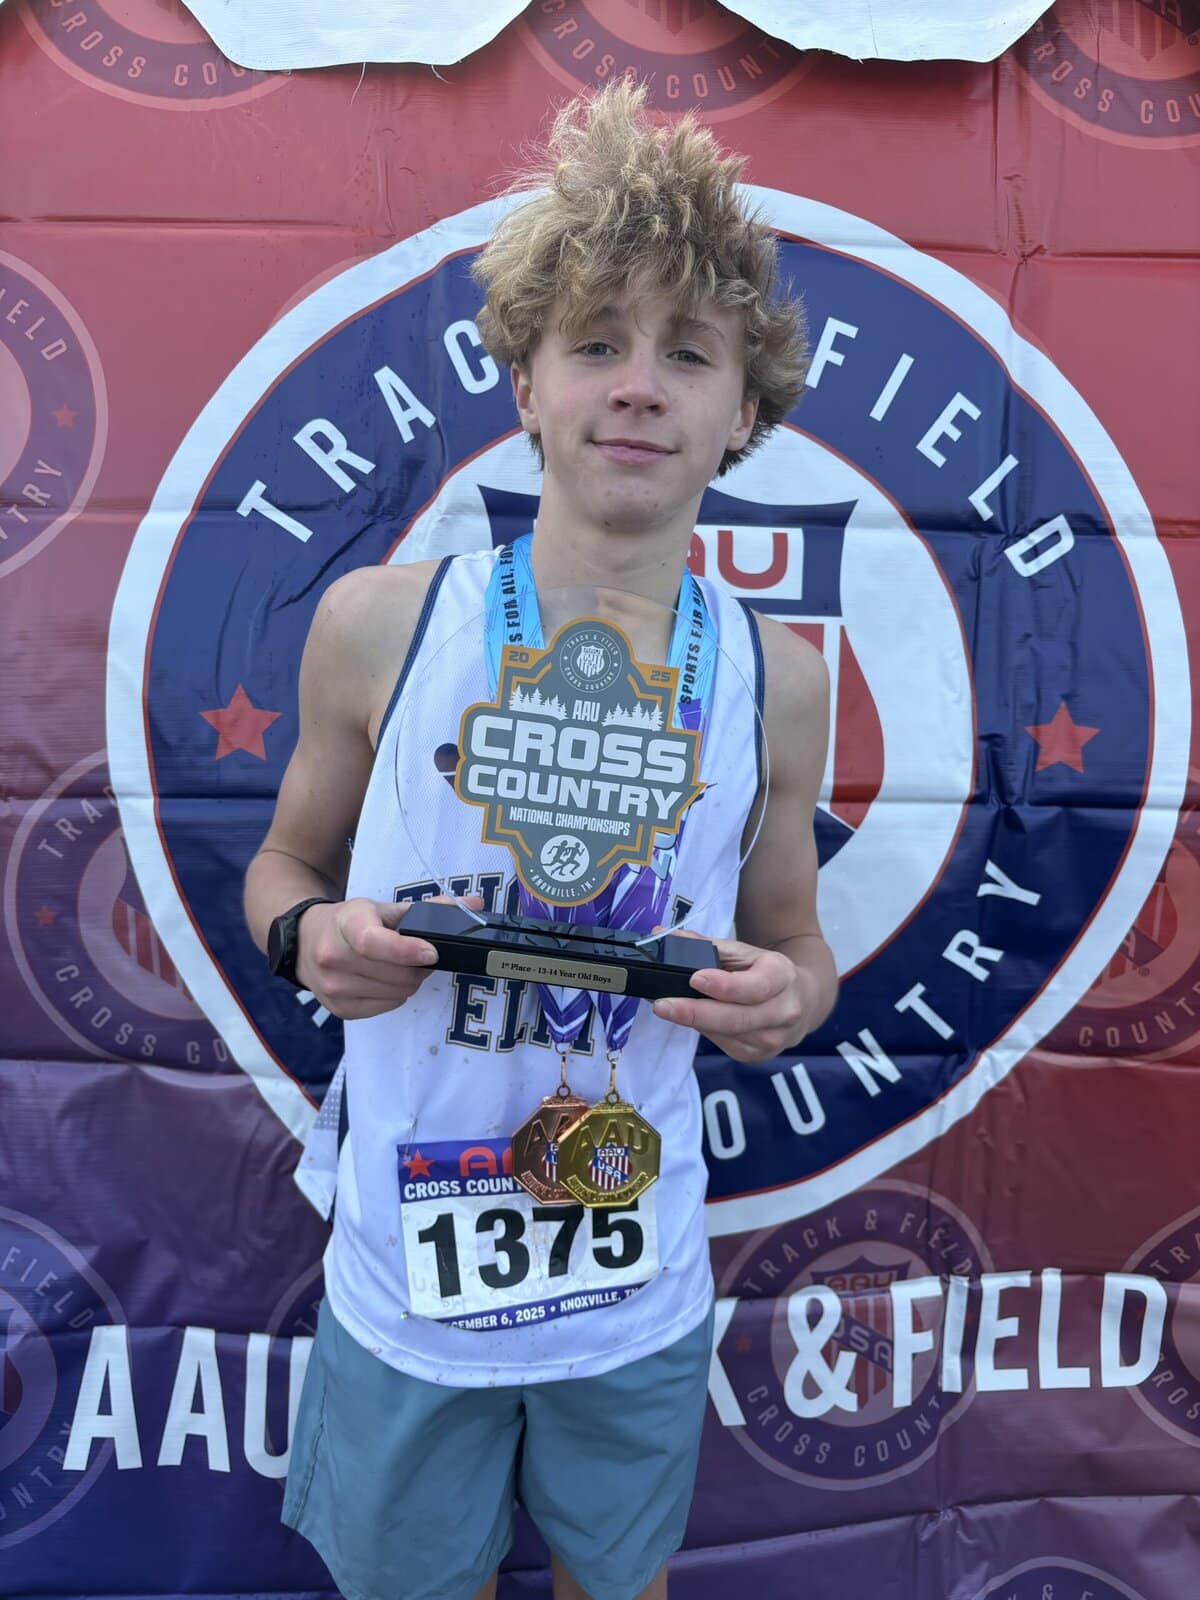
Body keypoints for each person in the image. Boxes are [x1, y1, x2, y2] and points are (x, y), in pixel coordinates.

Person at [245, 80, 838, 1600]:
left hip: (632, 1271)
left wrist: (785, 999)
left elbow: (796, 944)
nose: (638, 388)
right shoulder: (381, 625)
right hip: (407, 1270)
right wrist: (307, 939)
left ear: (745, 411)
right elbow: (282, 871)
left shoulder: (776, 679)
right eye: (595, 344)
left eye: (687, 353)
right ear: (524, 385)